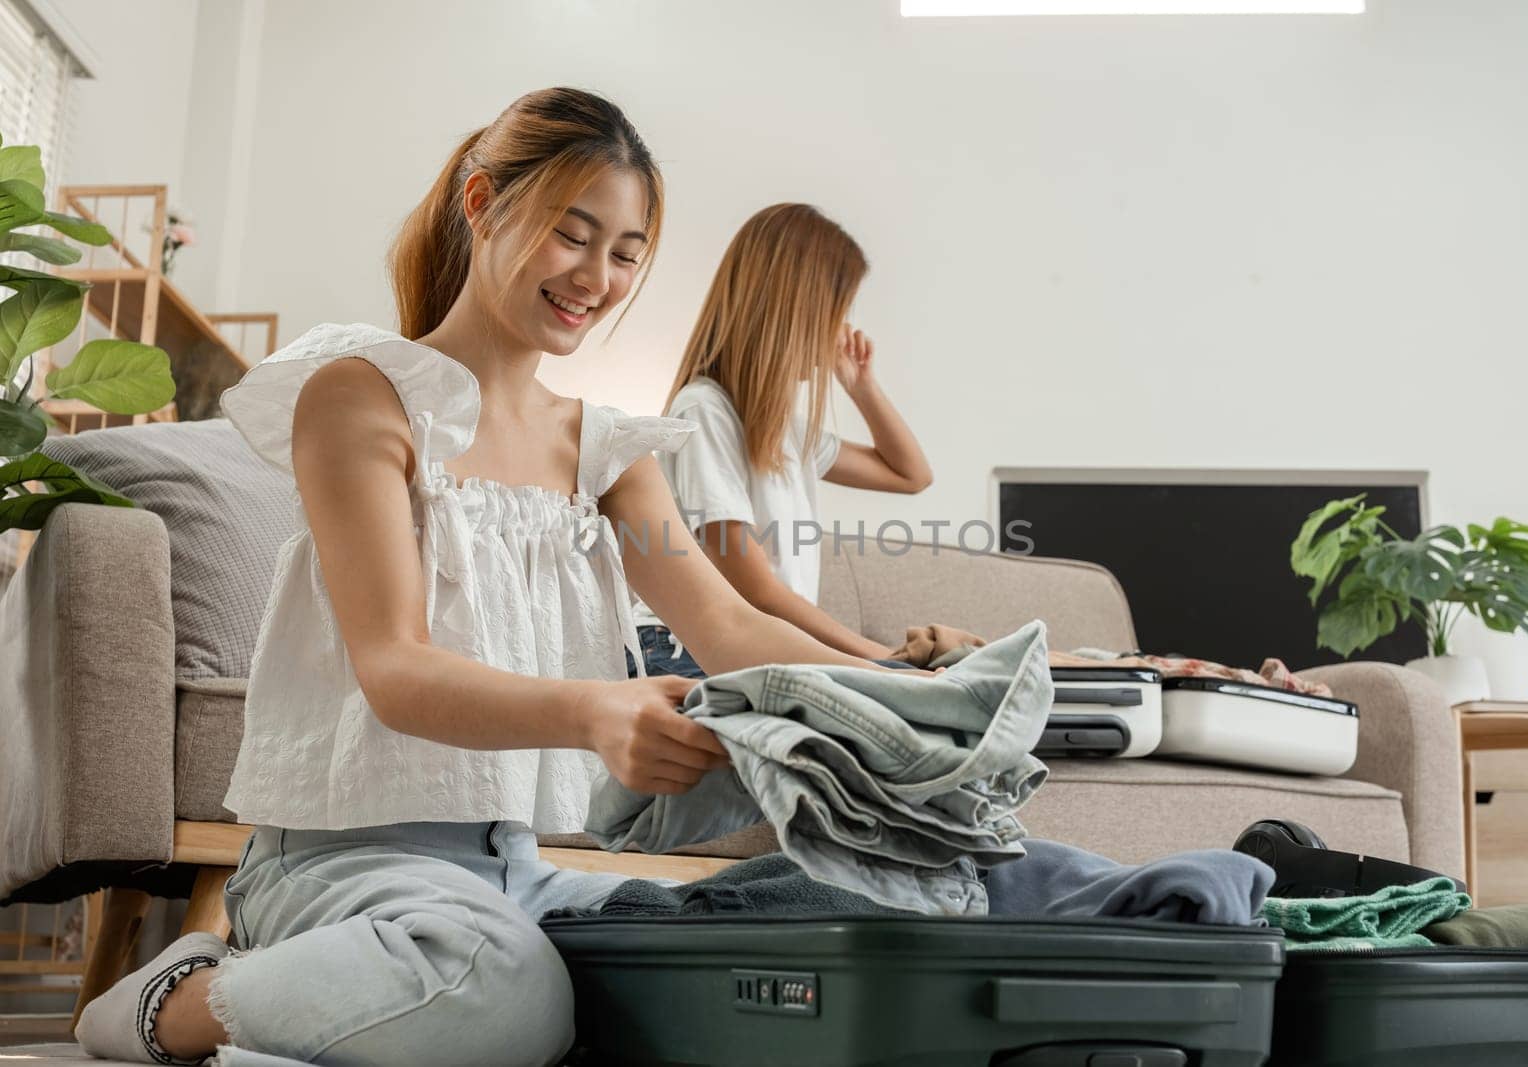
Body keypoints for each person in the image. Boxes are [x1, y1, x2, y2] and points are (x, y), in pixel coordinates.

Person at [74, 88, 905, 1067]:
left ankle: (439, 987)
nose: (596, 276)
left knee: (845, 908)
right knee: (499, 988)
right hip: (339, 861)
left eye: (626, 252)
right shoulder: (362, 396)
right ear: (483, 203)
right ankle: (179, 996)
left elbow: (725, 621)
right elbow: (393, 666)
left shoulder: (607, 448)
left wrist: (909, 703)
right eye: (572, 233)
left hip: (514, 869)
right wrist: (597, 710)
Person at [630, 203, 933, 679]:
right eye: (836, 315)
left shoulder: (786, 432)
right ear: (797, 314)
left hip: (760, 645)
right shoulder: (705, 411)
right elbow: (756, 591)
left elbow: (911, 476)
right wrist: (878, 659)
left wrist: (861, 386)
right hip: (688, 652)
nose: (840, 334)